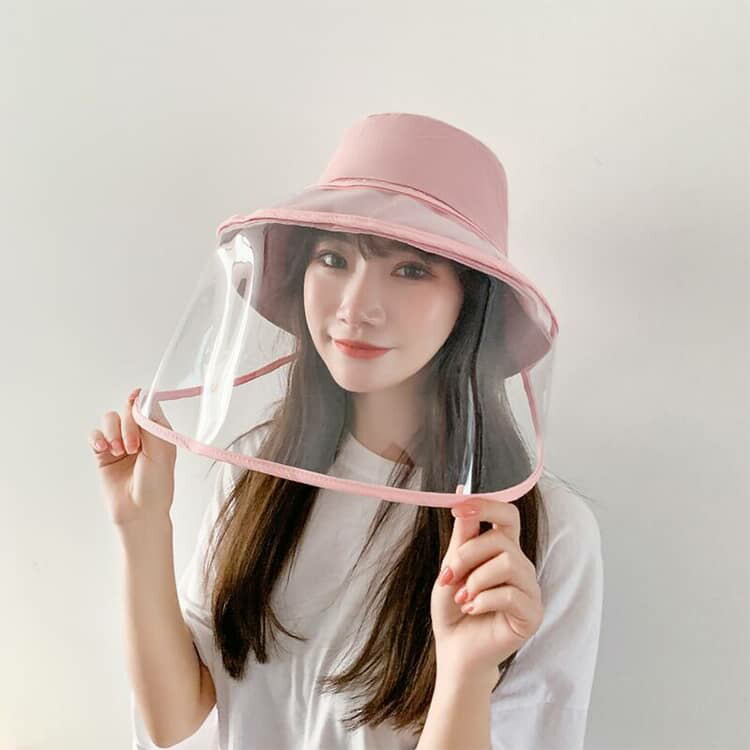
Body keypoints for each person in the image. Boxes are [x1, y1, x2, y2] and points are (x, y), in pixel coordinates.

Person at [89, 113, 603, 749]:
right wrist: (141, 527)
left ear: (470, 303)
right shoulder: (259, 471)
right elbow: (177, 720)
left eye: (410, 269)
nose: (355, 307)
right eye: (334, 259)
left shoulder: (540, 533)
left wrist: (465, 675)